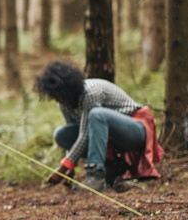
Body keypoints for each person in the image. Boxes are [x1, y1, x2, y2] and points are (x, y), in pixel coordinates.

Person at [34, 60, 164, 191]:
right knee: (62, 134)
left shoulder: (90, 93)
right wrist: (70, 168)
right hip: (111, 141)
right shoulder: (64, 104)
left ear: (67, 89)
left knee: (96, 114)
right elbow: (76, 134)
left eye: (58, 94)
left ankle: (95, 175)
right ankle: (115, 166)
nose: (57, 99)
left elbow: (84, 135)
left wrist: (64, 166)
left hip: (136, 130)